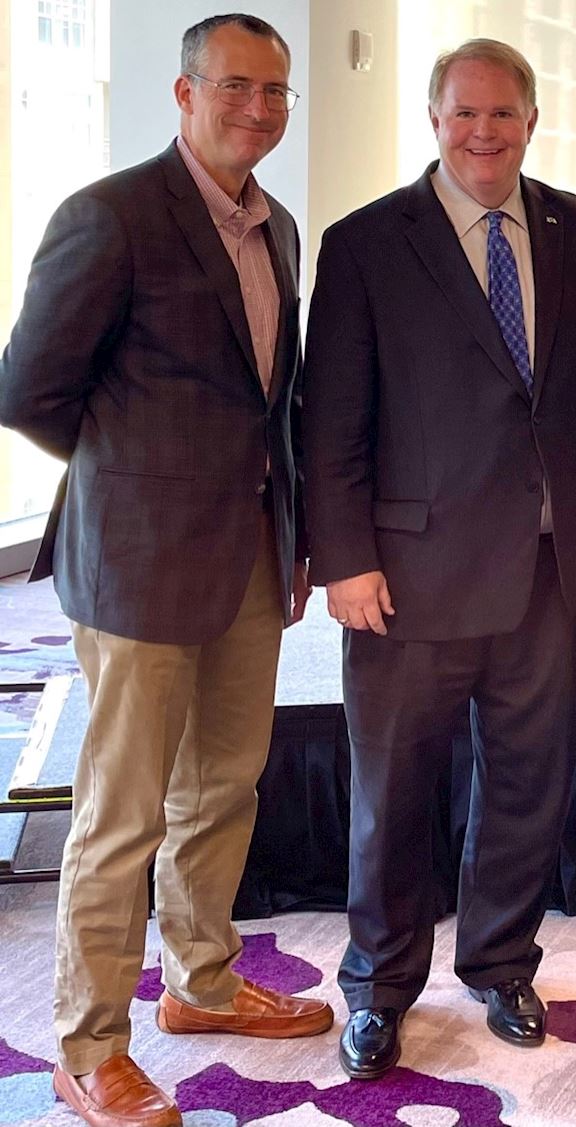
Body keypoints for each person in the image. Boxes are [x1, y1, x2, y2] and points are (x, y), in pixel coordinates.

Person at [0, 13, 331, 1126]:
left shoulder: (279, 227)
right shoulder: (112, 215)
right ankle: (89, 1046)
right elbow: (31, 389)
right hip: (139, 563)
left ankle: (200, 982)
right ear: (185, 95)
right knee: (121, 810)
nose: (259, 108)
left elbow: (272, 403)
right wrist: (139, 480)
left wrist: (291, 535)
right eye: (236, 86)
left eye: (275, 92)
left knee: (224, 785)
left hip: (250, 556)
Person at [301, 38, 576, 1080]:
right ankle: (379, 987)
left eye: (504, 113)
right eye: (465, 113)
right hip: (407, 576)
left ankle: (501, 961)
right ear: (434, 119)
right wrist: (342, 557)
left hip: (548, 572)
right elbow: (329, 415)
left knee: (526, 783)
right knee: (393, 793)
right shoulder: (366, 241)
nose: (485, 132)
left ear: (531, 119)